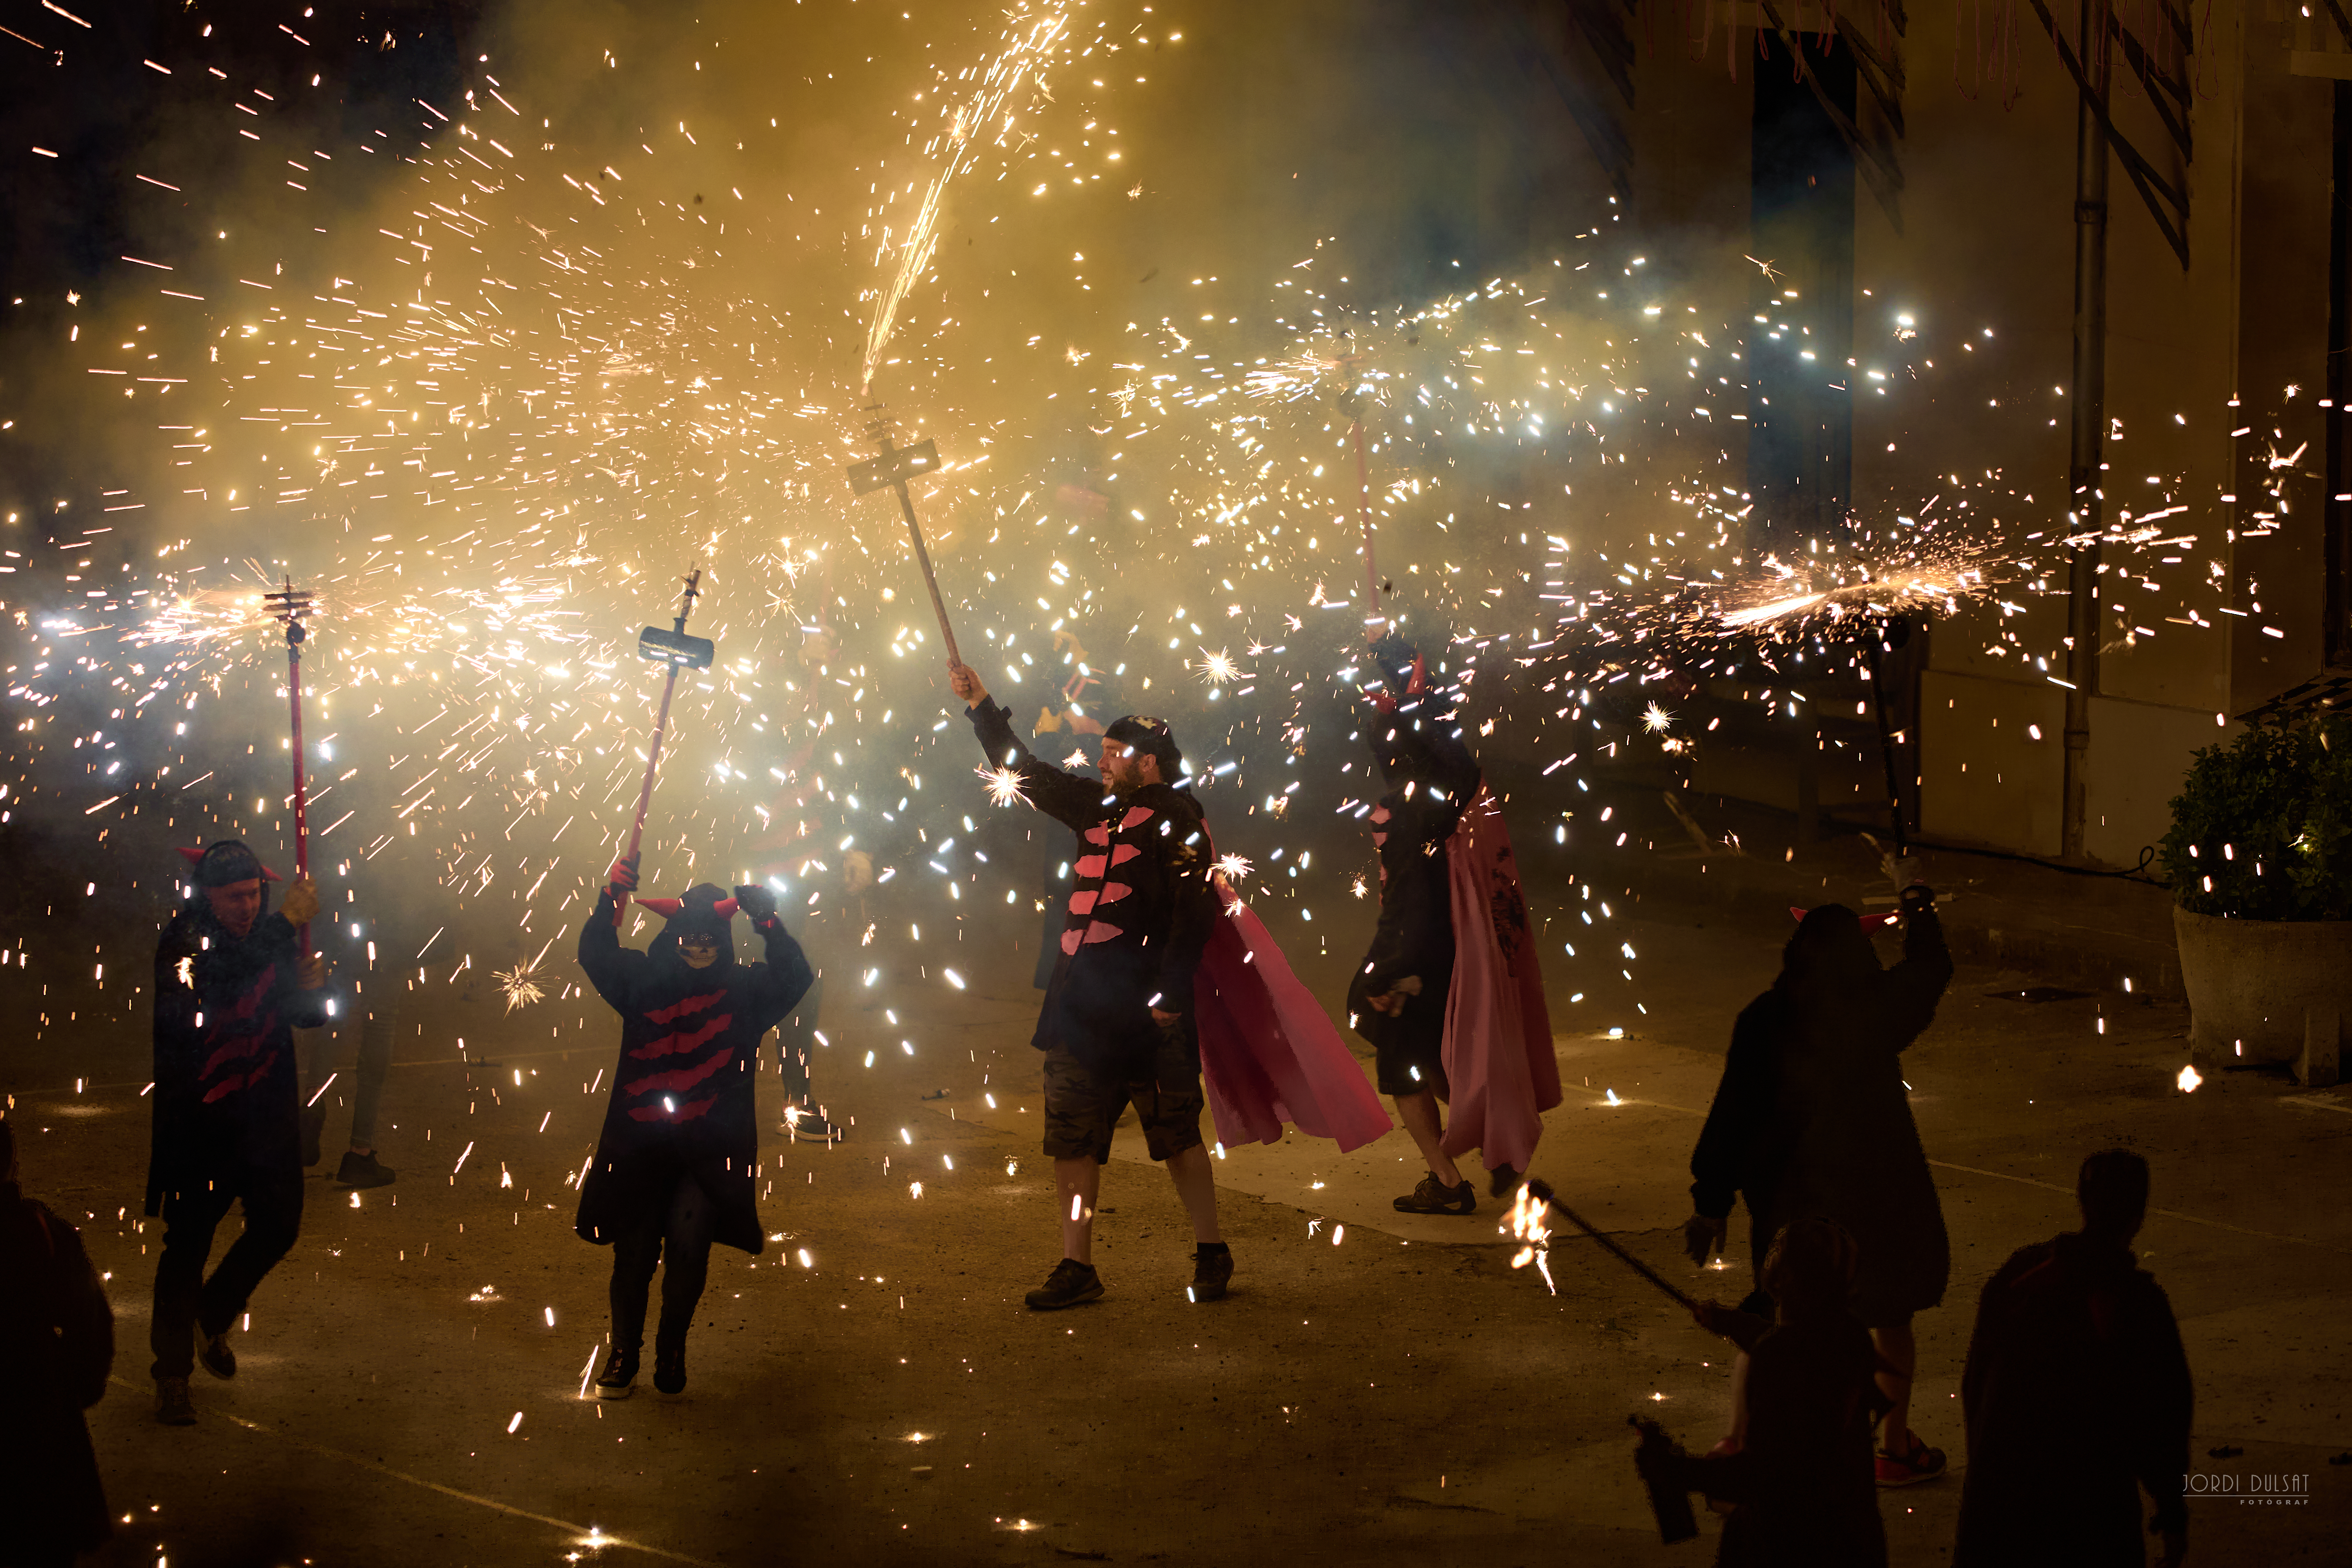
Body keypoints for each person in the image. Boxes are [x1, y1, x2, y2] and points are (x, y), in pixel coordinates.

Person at [949, 658, 1228, 1310]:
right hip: (1079, 1007)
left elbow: (1194, 916)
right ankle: (1078, 1266)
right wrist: (980, 703)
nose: (1101, 763)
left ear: (1149, 761)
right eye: (1100, 752)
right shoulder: (1092, 806)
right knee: (1071, 1138)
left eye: (1113, 753)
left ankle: (1212, 1249)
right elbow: (1021, 769)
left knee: (1177, 1136)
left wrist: (1168, 997)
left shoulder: (1181, 820)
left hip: (1148, 1013)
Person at [1683, 885, 1953, 1486]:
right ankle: (1893, 1446)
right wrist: (1918, 908)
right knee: (1889, 1315)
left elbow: (1732, 1112)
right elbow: (1931, 968)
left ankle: (1749, 1441)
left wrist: (1711, 1201)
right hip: (1875, 1193)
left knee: (1774, 1319)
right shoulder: (1875, 1009)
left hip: (1787, 1197)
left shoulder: (1762, 1019)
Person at [575, 864, 812, 1397]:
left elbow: (796, 977)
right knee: (633, 1252)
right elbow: (595, 954)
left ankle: (671, 1346)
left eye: (710, 938)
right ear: (671, 936)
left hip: (707, 1149)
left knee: (687, 1246)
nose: (699, 947)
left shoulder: (744, 990)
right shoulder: (642, 981)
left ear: (722, 939)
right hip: (640, 1144)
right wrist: (611, 896)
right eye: (689, 938)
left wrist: (769, 921)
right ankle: (623, 1351)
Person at [146, 840, 327, 1426]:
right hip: (202, 1124)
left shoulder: (272, 937)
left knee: (279, 1225)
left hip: (268, 1118)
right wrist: (286, 926)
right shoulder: (184, 941)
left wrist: (310, 986)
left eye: (254, 895)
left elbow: (304, 1017)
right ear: (207, 896)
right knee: (188, 1246)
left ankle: (213, 1312)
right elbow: (221, 977)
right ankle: (171, 1373)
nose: (246, 906)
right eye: (233, 897)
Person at [1952, 1150, 2192, 1568]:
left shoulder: (2018, 1278)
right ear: (2138, 1215)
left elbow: (1976, 1385)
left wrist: (1985, 1474)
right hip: (2091, 1516)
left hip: (2003, 1509)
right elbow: (2161, 1419)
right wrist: (2171, 1511)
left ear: (2080, 1200)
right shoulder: (2136, 1304)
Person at [1647, 1218, 1891, 1567]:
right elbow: (1801, 1348)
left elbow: (1762, 1473)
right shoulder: (1849, 1335)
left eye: (1779, 1250)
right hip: (1853, 1537)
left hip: (1794, 1545)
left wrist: (1676, 1470)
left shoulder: (1780, 1358)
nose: (1770, 1254)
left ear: (1788, 1277)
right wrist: (1730, 1322)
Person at [1345, 640, 1484, 1213]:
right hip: (1450, 948)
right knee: (1428, 1051)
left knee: (1399, 1057)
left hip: (1418, 956)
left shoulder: (1409, 815)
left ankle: (1448, 1181)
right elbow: (1436, 732)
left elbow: (1409, 902)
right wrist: (1400, 665)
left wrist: (1390, 968)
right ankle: (1482, 1136)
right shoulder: (1451, 792)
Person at [0, 1116, 114, 1568]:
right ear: (12, 1164)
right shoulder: (43, 1231)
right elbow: (91, 1322)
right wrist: (75, 1389)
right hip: (38, 1413)